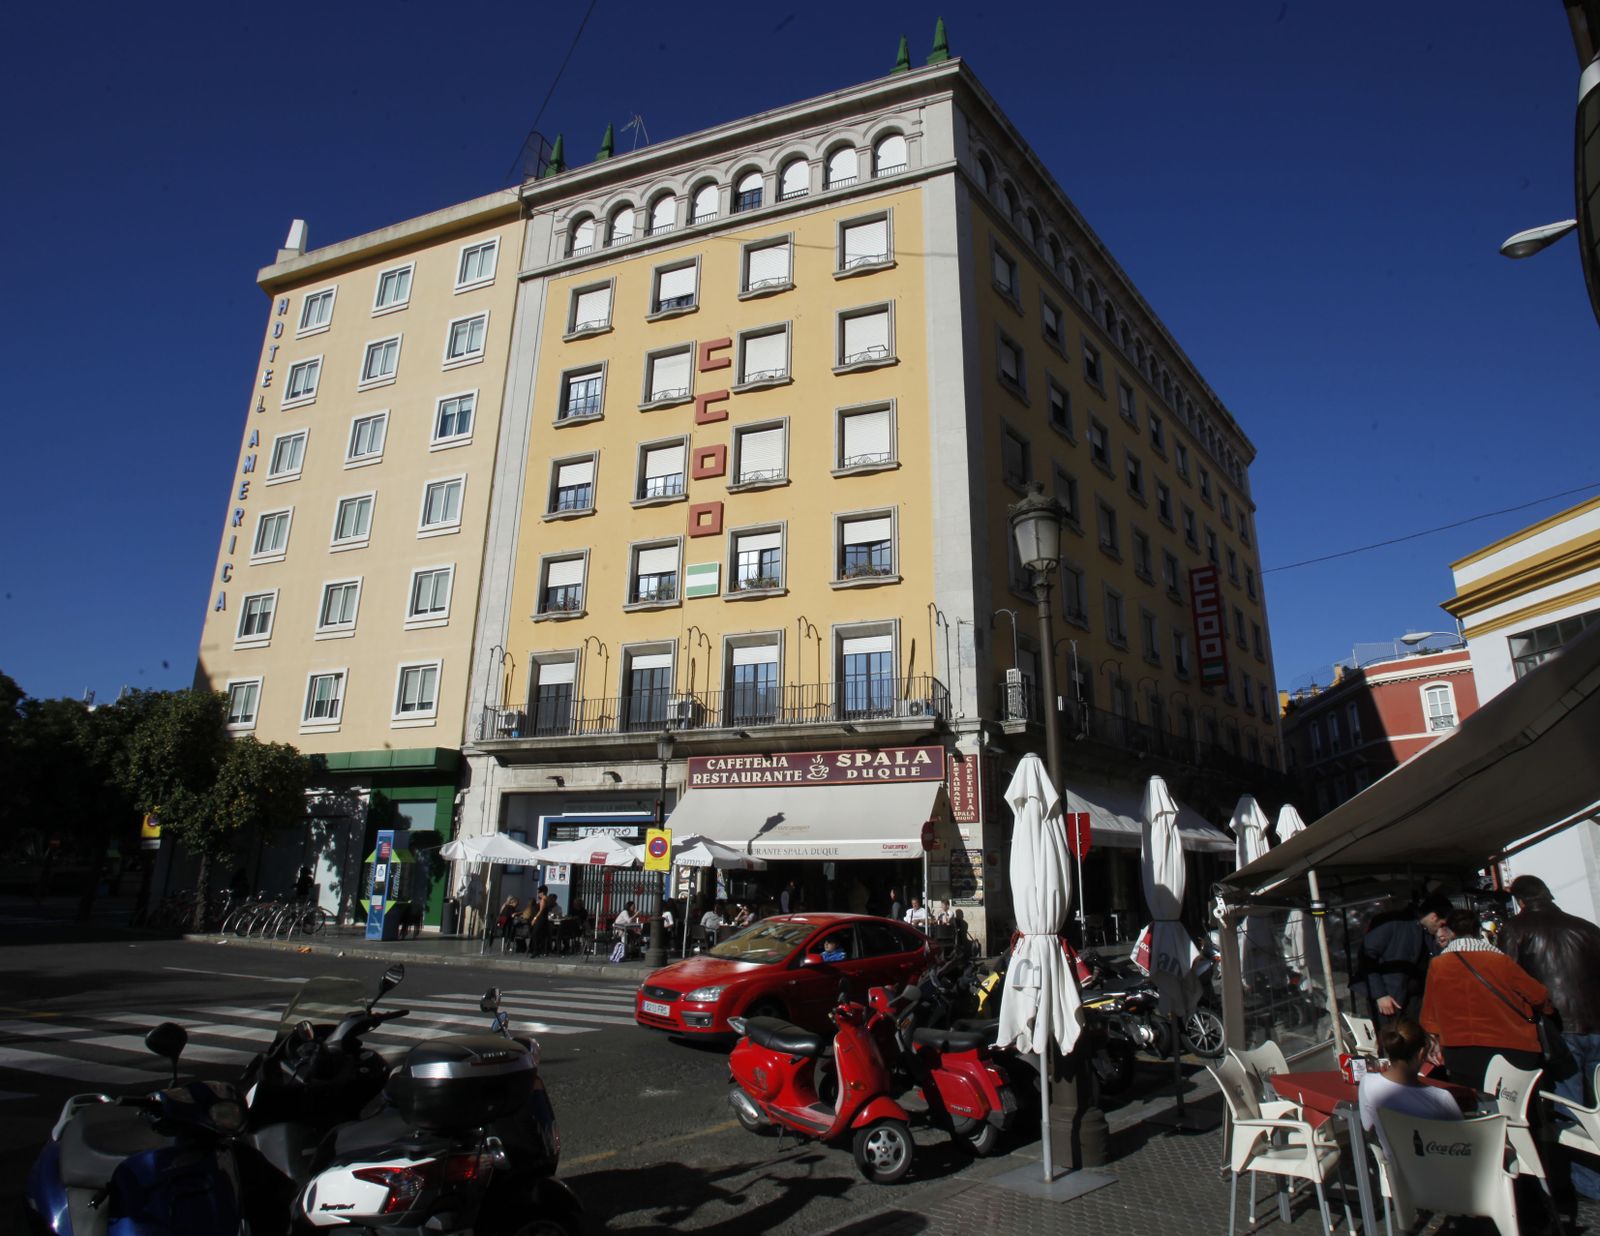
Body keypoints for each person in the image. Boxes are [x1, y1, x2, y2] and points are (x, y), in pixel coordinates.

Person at [1497, 874, 1600, 1201]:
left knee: (1570, 1113)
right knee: (1596, 1109)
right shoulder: (1586, 927)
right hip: (1596, 1024)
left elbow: (1507, 982)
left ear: (1520, 900)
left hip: (1556, 1032)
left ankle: (1589, 1186)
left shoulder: (1515, 929)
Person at [1419, 908, 1553, 1091]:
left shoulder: (1438, 965)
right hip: (1512, 1047)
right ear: (1477, 930)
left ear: (1451, 932)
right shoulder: (1499, 960)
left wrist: (1432, 1039)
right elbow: (1539, 996)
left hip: (1461, 1051)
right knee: (1519, 1109)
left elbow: (1429, 1013)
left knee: (1476, 1108)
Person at [1358, 1019, 1462, 1159]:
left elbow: (1368, 1127)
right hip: (1439, 1174)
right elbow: (1465, 1144)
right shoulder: (1440, 1098)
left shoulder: (1367, 1083)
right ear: (1421, 1054)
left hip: (1395, 1173)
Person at [1361, 894, 1451, 1027]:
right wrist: (1380, 995)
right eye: (1441, 924)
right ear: (1433, 917)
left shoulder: (1427, 933)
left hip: (1416, 999)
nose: (1441, 929)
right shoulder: (1392, 923)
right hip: (1390, 999)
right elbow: (1366, 958)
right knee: (1394, 1040)